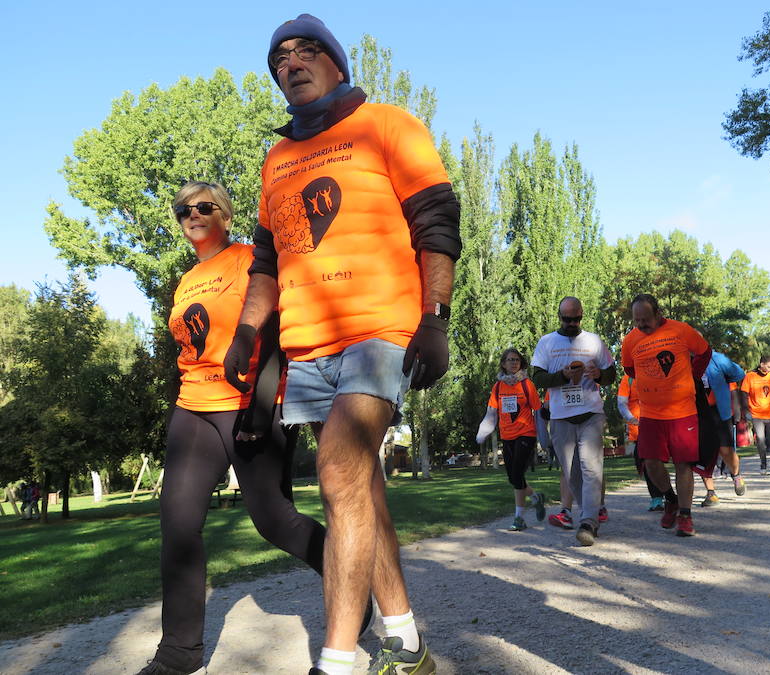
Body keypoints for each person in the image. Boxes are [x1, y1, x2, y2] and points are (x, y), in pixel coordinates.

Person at [224, 16, 461, 675]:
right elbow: (267, 262)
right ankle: (409, 644)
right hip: (307, 345)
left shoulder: (386, 124)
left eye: (305, 52)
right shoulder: (277, 159)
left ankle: (338, 661)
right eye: (278, 59)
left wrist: (435, 316)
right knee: (361, 486)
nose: (290, 64)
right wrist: (249, 329)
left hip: (379, 330)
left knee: (337, 470)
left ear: (335, 62)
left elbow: (436, 218)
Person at [137, 181, 335, 675]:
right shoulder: (186, 281)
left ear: (224, 214)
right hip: (193, 408)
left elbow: (275, 333)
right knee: (178, 529)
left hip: (249, 405)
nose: (192, 215)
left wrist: (262, 407)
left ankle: (355, 578)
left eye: (204, 207)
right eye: (183, 209)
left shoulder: (250, 259)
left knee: (273, 520)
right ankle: (177, 656)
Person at [621, 293, 712, 537]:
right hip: (650, 413)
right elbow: (629, 367)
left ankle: (685, 515)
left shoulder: (681, 330)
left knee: (683, 464)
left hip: (683, 411)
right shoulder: (630, 340)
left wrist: (693, 376)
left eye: (645, 319)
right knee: (650, 461)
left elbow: (704, 352)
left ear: (658, 313)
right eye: (636, 320)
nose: (641, 324)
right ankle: (670, 499)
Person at [532, 297, 616, 546]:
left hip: (591, 413)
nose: (571, 323)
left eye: (575, 318)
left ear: (581, 315)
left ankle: (588, 521)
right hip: (560, 417)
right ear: (559, 316)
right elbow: (537, 378)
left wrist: (600, 374)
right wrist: (563, 376)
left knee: (591, 467)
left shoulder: (594, 341)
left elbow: (611, 373)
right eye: (566, 319)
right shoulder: (547, 342)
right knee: (572, 474)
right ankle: (588, 514)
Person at [475, 348, 546, 531]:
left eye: (516, 360)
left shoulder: (527, 385)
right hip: (506, 436)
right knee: (513, 477)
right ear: (503, 364)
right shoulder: (498, 387)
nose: (513, 362)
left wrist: (544, 437)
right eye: (509, 360)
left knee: (516, 474)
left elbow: (538, 412)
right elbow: (491, 413)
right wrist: (483, 431)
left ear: (521, 363)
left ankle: (519, 518)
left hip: (526, 434)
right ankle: (535, 497)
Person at [697, 352, 747, 506]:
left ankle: (736, 475)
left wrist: (737, 413)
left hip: (720, 411)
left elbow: (738, 375)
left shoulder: (717, 359)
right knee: (703, 454)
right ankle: (711, 493)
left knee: (726, 450)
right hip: (697, 413)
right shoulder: (683, 361)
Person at [618, 374, 664, 511]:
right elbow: (621, 402)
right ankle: (657, 498)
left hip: (660, 423)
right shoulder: (628, 378)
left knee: (659, 461)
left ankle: (669, 496)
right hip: (640, 429)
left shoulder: (657, 372)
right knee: (646, 462)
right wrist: (631, 419)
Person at [740, 356, 770, 475]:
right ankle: (763, 465)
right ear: (762, 364)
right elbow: (744, 394)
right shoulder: (750, 376)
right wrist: (746, 411)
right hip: (756, 414)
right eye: (769, 367)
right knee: (760, 439)